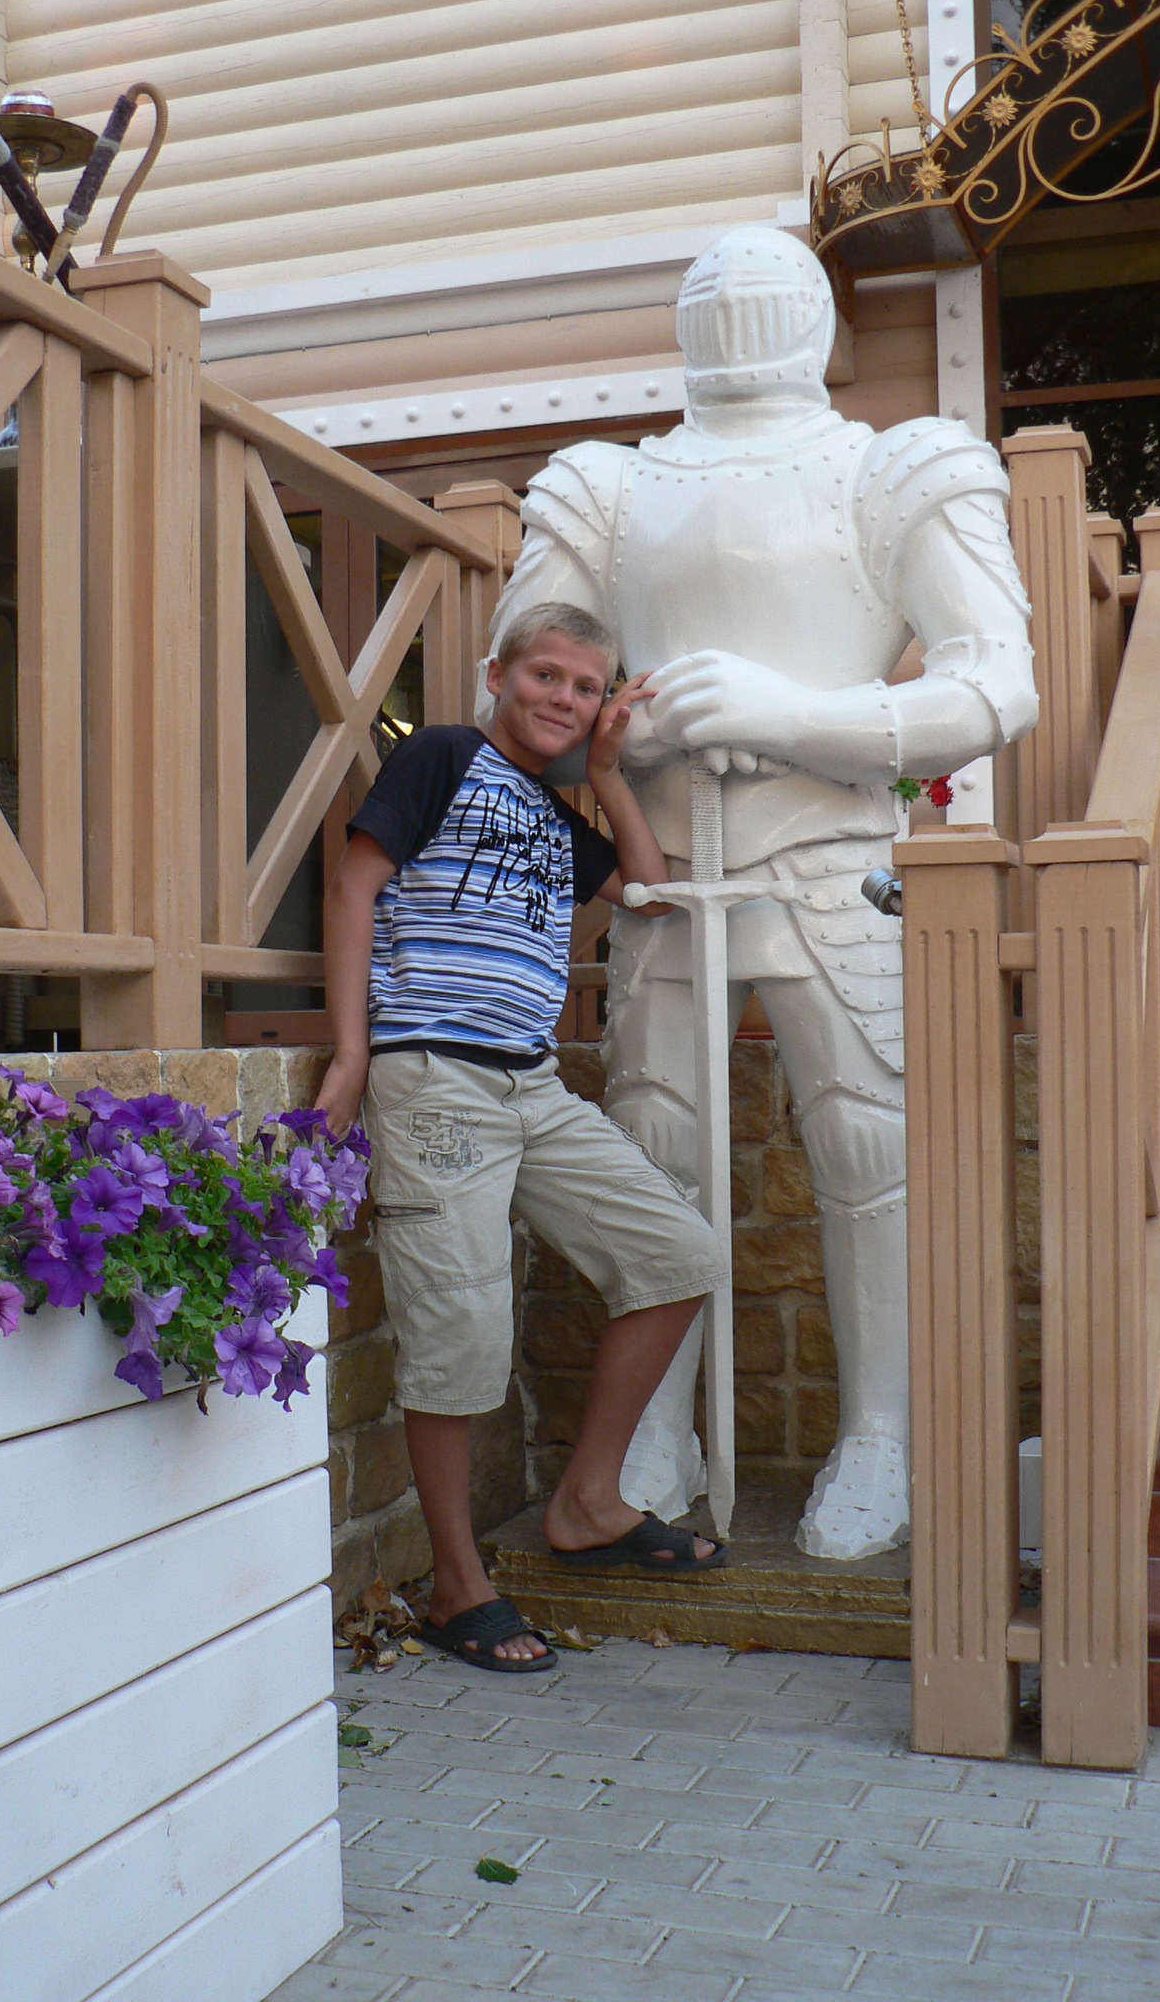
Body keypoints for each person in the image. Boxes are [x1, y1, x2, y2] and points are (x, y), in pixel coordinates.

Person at [484, 227, 1037, 1559]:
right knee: (656, 1143)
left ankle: (884, 1432)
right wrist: (626, 727)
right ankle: (651, 1430)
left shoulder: (894, 466)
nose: (735, 311)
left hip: (832, 856)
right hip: (669, 866)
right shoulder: (606, 485)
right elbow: (514, 681)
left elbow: (994, 680)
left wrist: (795, 712)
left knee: (868, 1148)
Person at [316, 602, 730, 1672]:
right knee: (458, 1341)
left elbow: (648, 893)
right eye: (546, 675)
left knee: (678, 1254)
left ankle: (589, 1500)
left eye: (587, 687)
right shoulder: (444, 756)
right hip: (433, 1077)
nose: (563, 697)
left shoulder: (556, 814)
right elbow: (355, 884)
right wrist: (353, 1053)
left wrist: (609, 774)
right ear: (497, 673)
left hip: (531, 1086)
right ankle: (460, 1586)